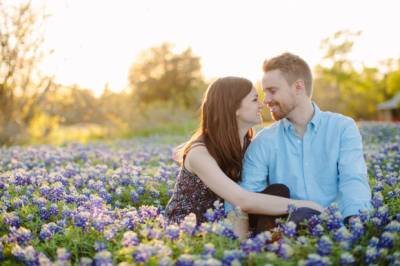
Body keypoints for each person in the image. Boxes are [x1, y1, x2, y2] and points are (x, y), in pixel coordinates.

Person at [164, 76, 323, 239]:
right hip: (192, 231)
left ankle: (266, 246)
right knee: (301, 209)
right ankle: (255, 248)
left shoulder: (250, 145)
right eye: (255, 100)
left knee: (279, 191)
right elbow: (242, 200)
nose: (262, 104)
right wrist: (305, 205)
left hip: (233, 221)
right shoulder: (200, 153)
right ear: (234, 108)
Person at [225, 53, 372, 228]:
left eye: (272, 91)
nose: (266, 100)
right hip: (288, 239)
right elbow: (245, 196)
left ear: (298, 87)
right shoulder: (264, 141)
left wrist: (355, 224)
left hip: (338, 228)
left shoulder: (342, 128)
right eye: (265, 93)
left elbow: (353, 180)